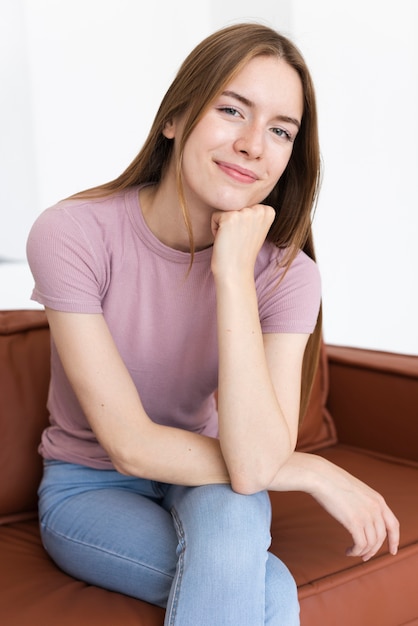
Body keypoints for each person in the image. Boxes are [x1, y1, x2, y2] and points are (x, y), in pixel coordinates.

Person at [26, 22, 399, 626]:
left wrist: (231, 272)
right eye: (232, 110)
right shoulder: (73, 233)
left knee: (235, 510)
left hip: (211, 467)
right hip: (90, 486)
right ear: (175, 118)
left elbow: (252, 466)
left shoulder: (287, 274)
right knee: (268, 590)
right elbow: (130, 446)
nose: (254, 144)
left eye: (281, 130)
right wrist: (313, 469)